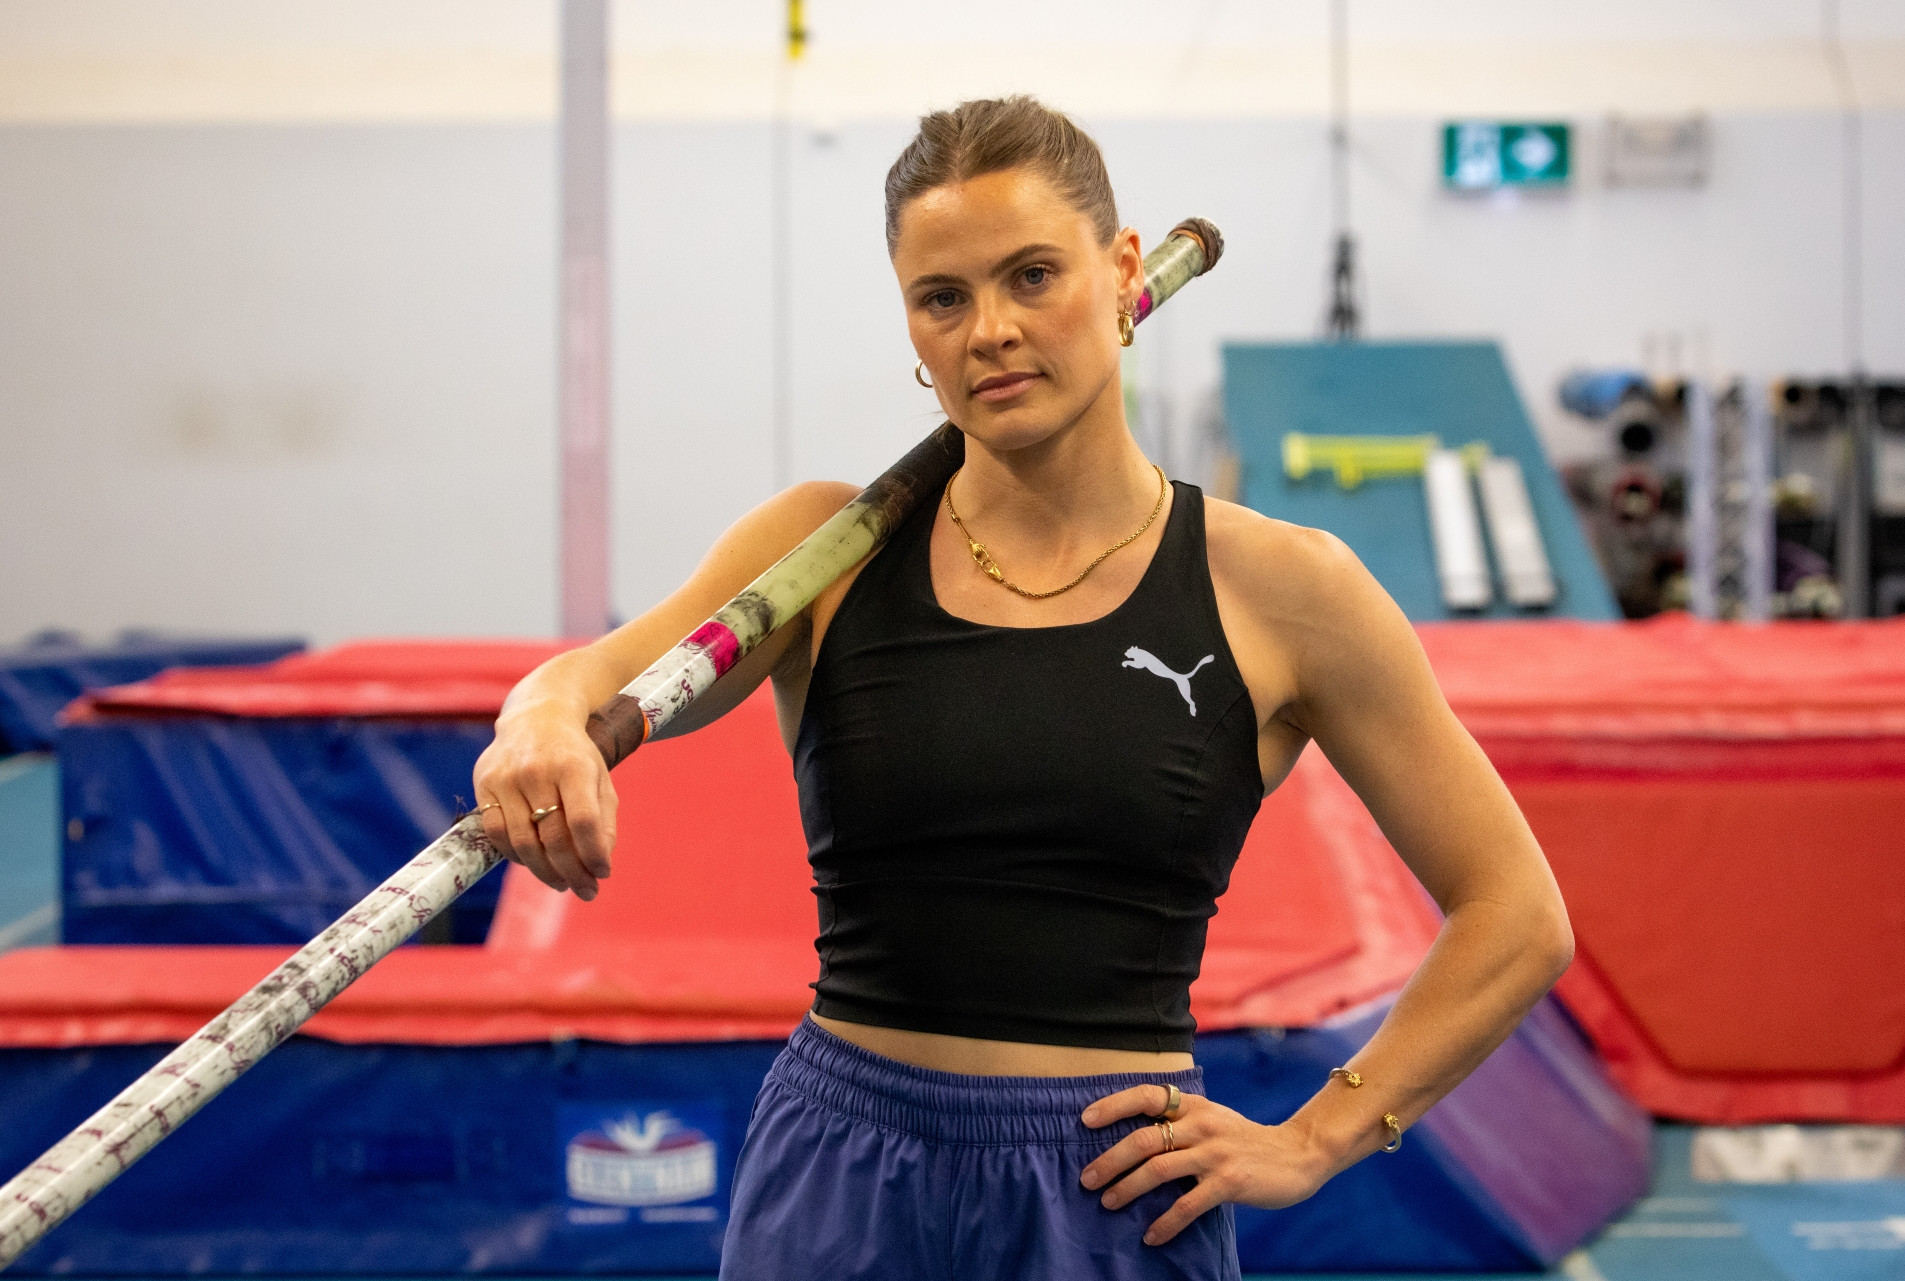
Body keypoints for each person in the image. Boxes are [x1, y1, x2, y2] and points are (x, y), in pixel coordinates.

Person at [474, 95, 1573, 1281]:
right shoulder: (824, 553)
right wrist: (536, 722)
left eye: (1031, 276)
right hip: (842, 1175)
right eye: (942, 298)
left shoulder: (1283, 589)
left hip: (1107, 1194)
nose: (988, 329)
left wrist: (1317, 1138)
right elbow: (596, 677)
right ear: (912, 332)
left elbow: (1514, 913)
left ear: (1122, 275)